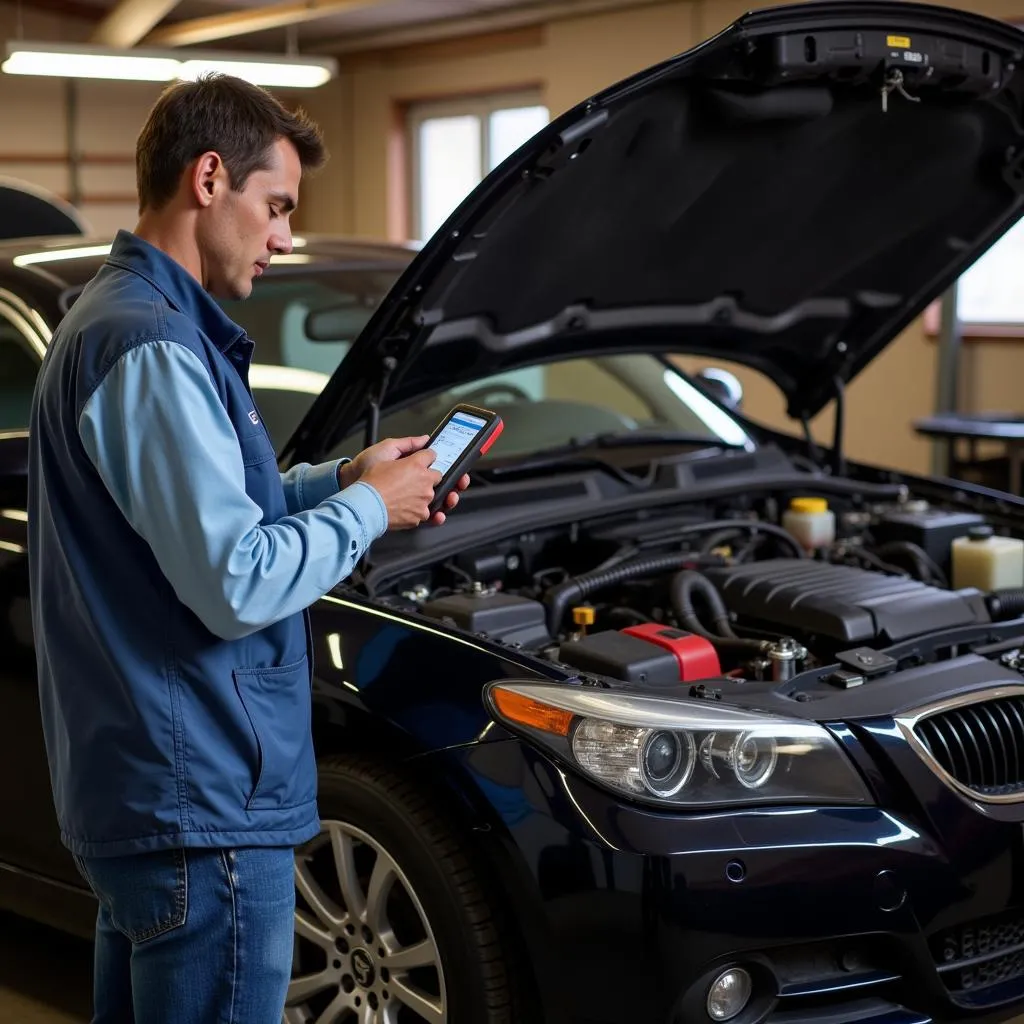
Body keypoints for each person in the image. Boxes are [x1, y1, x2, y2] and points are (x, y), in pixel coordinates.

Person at [27, 73, 468, 1024]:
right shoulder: (148, 345)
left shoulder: (123, 325)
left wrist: (346, 481)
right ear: (210, 177)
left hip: (160, 799)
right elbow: (236, 579)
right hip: (201, 804)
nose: (282, 237)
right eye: (275, 207)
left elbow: (201, 512)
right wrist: (366, 517)